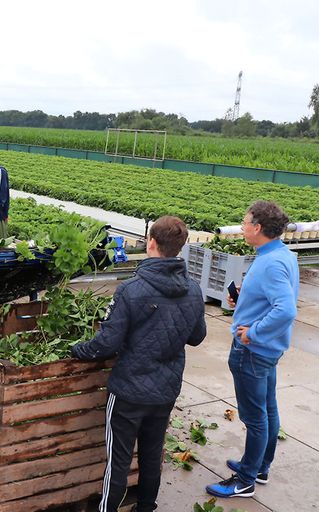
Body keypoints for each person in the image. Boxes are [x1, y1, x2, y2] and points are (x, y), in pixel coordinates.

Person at [72, 215, 207, 512]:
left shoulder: (131, 290)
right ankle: (146, 507)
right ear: (180, 247)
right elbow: (197, 337)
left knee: (118, 461)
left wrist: (78, 349)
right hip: (166, 389)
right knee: (151, 453)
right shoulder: (194, 289)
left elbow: (105, 344)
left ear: (151, 243)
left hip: (129, 392)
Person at [206, 201, 299, 499]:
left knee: (256, 417)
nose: (243, 227)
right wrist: (244, 301)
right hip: (267, 350)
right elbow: (272, 300)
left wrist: (254, 332)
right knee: (268, 409)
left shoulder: (271, 263)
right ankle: (259, 467)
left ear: (257, 228)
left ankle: (244, 481)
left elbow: (285, 309)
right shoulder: (279, 254)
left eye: (245, 222)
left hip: (253, 351)